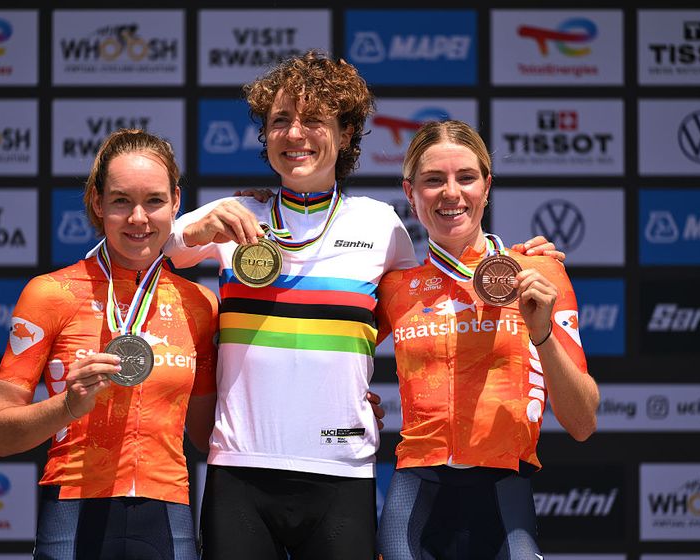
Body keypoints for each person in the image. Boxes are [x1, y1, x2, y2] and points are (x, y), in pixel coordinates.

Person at [154, 51, 562, 560]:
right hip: (240, 467)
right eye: (280, 120)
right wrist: (189, 229)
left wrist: (514, 257)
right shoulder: (233, 215)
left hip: (341, 469)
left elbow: (422, 302)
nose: (294, 133)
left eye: (314, 120)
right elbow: (145, 245)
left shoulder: (381, 226)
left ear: (346, 134)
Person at [0, 129, 218, 560]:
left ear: (176, 203)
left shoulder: (199, 304)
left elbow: (209, 436)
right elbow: (1, 435)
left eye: (153, 201)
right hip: (73, 506)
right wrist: (68, 406)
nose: (138, 218)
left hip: (168, 508)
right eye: (120, 201)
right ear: (97, 203)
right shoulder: (51, 293)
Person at [374, 120, 600, 559]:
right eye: (433, 180)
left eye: (466, 177)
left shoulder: (539, 273)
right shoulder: (395, 286)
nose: (451, 193)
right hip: (413, 500)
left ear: (487, 185)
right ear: (410, 193)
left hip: (503, 498)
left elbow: (583, 422)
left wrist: (543, 335)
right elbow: (328, 343)